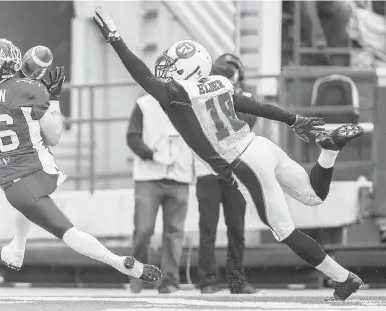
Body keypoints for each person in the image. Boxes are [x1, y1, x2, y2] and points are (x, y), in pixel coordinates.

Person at [93, 7, 364, 301]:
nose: (167, 66)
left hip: (244, 161)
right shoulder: (220, 83)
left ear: (189, 67)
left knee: (283, 230)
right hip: (261, 145)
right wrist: (293, 119)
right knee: (313, 196)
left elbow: (141, 74)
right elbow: (255, 106)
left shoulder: (177, 95)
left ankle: (344, 279)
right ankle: (329, 152)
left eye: (173, 62)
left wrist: (116, 38)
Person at [0, 38, 161, 284]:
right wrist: (52, 99)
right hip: (37, 170)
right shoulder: (29, 90)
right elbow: (53, 136)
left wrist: (22, 78)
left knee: (48, 220)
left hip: (18, 178)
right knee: (48, 220)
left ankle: (115, 262)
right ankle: (21, 250)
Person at [126, 62, 194, 293]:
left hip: (180, 176)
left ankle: (170, 281)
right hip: (149, 177)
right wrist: (153, 155)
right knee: (143, 230)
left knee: (174, 234)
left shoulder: (190, 104)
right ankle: (136, 276)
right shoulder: (144, 104)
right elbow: (133, 138)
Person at [195, 53, 258, 294]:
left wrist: (233, 94)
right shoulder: (201, 99)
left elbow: (246, 122)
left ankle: (237, 280)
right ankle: (207, 281)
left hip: (235, 171)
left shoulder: (243, 97)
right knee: (208, 230)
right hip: (207, 171)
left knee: (236, 227)